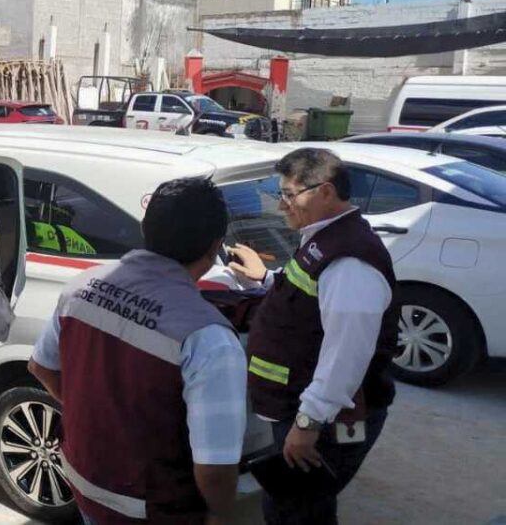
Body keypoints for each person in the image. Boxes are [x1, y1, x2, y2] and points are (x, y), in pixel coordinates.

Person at [28, 177, 248, 525]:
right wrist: (220, 513)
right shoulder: (208, 337)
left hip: (84, 479)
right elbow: (215, 466)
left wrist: (93, 416)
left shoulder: (81, 286)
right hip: (152, 507)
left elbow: (41, 366)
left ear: (146, 227)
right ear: (214, 247)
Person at [229, 147, 398, 525]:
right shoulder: (324, 238)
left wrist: (308, 424)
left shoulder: (351, 262)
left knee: (295, 509)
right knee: (301, 505)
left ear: (325, 191)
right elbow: (310, 297)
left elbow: (346, 356)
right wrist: (265, 279)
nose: (281, 206)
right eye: (281, 194)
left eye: (289, 195)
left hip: (322, 420)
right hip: (296, 407)